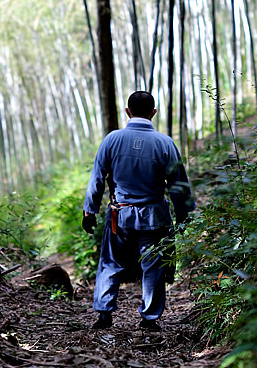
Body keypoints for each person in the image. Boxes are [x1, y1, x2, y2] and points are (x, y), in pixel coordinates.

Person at [82, 91, 196, 330]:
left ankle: (104, 313)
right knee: (153, 266)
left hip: (119, 215)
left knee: (110, 263)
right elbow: (178, 184)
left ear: (127, 111)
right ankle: (149, 318)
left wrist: (89, 211)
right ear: (153, 113)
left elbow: (97, 179)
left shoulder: (112, 140)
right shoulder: (165, 143)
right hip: (154, 216)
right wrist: (184, 215)